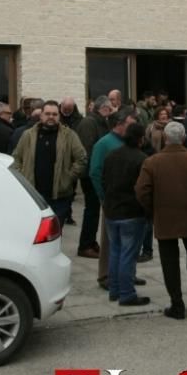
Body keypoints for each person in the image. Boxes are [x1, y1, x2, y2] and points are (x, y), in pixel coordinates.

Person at [135, 121, 187, 319]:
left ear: (165, 138)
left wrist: (153, 209)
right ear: (184, 138)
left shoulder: (152, 162)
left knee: (169, 263)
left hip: (164, 217)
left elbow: (141, 191)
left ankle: (177, 306)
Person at [12, 100, 87, 220]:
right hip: (33, 195)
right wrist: (23, 176)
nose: (51, 117)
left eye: (54, 114)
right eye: (47, 114)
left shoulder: (69, 135)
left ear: (59, 116)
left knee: (55, 233)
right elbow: (16, 158)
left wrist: (67, 178)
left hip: (59, 197)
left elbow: (81, 159)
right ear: (41, 115)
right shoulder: (28, 135)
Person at [91, 108, 140, 289]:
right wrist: (104, 197)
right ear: (119, 124)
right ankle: (106, 276)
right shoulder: (104, 144)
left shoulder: (129, 143)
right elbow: (95, 172)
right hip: (112, 200)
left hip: (130, 201)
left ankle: (128, 274)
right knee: (110, 240)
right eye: (131, 124)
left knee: (131, 240)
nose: (134, 127)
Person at [102, 123, 150, 306]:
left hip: (112, 210)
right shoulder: (142, 159)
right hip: (132, 212)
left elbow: (103, 179)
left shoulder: (112, 155)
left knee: (116, 251)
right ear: (141, 139)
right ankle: (127, 293)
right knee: (128, 255)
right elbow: (143, 189)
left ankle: (114, 289)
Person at [75, 96, 112, 259]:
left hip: (97, 172)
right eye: (109, 108)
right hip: (91, 173)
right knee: (91, 209)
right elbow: (86, 150)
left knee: (94, 209)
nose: (111, 111)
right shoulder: (89, 123)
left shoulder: (101, 122)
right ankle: (85, 245)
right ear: (102, 108)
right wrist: (92, 172)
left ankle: (90, 242)